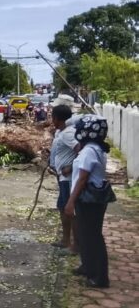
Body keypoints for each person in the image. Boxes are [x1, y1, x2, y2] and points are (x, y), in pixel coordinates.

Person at [65, 115, 111, 288]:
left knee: (93, 237)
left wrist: (70, 202)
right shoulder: (94, 148)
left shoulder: (89, 151)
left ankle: (100, 277)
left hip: (89, 198)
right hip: (91, 198)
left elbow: (83, 178)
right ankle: (88, 267)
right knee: (86, 234)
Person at [50, 105, 79, 255]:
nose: (51, 120)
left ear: (57, 118)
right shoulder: (60, 132)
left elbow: (81, 152)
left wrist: (71, 167)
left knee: (70, 211)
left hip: (68, 178)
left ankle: (74, 246)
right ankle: (65, 240)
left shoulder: (68, 134)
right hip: (62, 177)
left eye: (52, 117)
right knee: (62, 207)